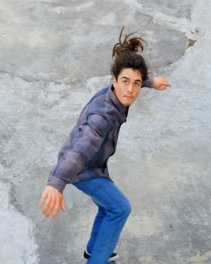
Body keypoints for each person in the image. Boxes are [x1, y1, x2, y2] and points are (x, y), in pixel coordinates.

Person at [39, 27, 171, 263]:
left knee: (107, 206)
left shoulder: (116, 90)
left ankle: (94, 250)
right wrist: (57, 182)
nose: (130, 90)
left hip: (93, 164)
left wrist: (152, 82)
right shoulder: (103, 116)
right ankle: (97, 259)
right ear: (114, 81)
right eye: (125, 82)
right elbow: (81, 148)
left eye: (137, 84)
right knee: (120, 208)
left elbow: (133, 78)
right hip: (84, 169)